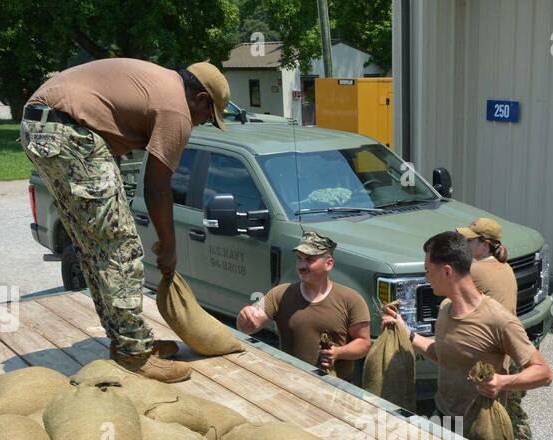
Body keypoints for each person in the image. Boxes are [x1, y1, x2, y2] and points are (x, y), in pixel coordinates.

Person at [20, 58, 230, 382]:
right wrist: (169, 248)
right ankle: (135, 354)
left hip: (42, 126)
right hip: (67, 132)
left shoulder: (160, 84)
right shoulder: (177, 111)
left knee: (96, 244)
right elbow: (157, 187)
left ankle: (128, 343)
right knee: (120, 246)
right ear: (200, 99)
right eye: (208, 117)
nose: (202, 123)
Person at [383, 230, 552, 437]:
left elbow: (543, 373)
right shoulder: (445, 308)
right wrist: (405, 332)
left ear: (447, 272)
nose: (427, 278)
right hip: (442, 420)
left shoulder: (498, 319)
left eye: (428, 271)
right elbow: (443, 354)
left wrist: (501, 382)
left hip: (481, 432)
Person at [236, 231, 371, 379]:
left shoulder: (351, 299)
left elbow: (364, 343)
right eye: (299, 259)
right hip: (291, 382)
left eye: (309, 260)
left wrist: (338, 353)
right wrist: (245, 316)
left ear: (329, 263)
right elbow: (248, 326)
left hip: (336, 388)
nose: (301, 265)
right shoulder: (281, 294)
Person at [457, 217, 535, 440]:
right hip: (515, 350)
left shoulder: (475, 270)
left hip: (496, 353)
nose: (466, 244)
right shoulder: (506, 268)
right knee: (512, 407)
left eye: (470, 240)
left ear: (484, 244)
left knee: (491, 411)